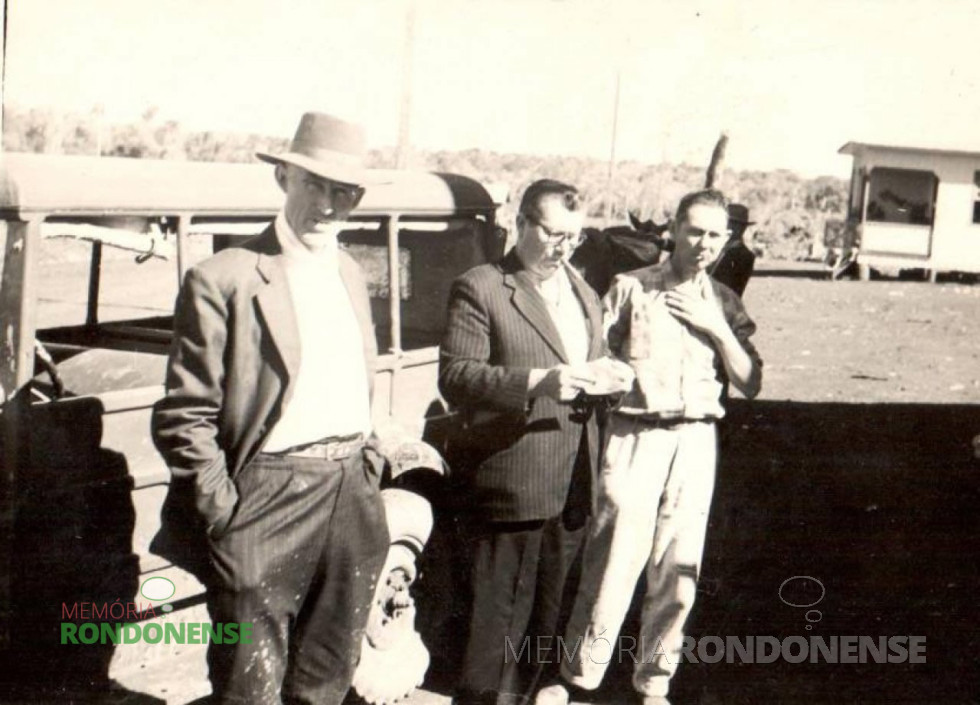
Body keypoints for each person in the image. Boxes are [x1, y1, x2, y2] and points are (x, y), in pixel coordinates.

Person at [150, 111, 396, 704]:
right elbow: (185, 413)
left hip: (351, 492)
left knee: (328, 675)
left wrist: (369, 465)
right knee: (248, 684)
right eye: (314, 184)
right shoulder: (224, 278)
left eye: (344, 192)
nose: (329, 205)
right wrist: (224, 517)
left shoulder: (350, 274)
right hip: (266, 497)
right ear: (283, 177)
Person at [536, 189, 763, 705]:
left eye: (714, 235)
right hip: (635, 435)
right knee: (612, 560)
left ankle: (654, 682)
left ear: (726, 240)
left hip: (696, 440)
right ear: (674, 231)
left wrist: (716, 327)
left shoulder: (725, 301)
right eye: (694, 231)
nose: (703, 244)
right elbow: (593, 358)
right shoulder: (631, 289)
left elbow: (750, 382)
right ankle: (578, 678)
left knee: (680, 567)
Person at [439, 179, 633, 705]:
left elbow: (588, 366)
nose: (563, 247)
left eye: (574, 237)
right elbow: (456, 376)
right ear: (522, 223)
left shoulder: (584, 291)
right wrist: (535, 383)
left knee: (544, 630)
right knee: (491, 634)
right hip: (512, 486)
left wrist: (611, 380)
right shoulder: (481, 286)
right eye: (551, 233)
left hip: (573, 485)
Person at [708, 202, 757, 297]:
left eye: (730, 224)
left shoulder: (744, 256)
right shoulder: (714, 246)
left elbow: (733, 289)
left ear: (740, 228)